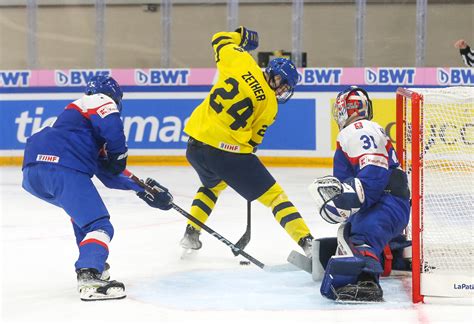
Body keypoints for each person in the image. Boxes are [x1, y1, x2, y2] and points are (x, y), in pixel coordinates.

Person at [21, 75, 173, 301]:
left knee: (82, 218)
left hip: (33, 173)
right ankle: (89, 275)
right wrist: (120, 154)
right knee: (100, 225)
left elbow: (109, 173)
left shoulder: (77, 127)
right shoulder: (96, 100)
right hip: (62, 167)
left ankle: (95, 264)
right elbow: (113, 131)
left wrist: (143, 189)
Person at [180, 26, 314, 257]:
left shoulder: (241, 59)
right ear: (275, 75)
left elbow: (218, 38)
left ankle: (191, 233)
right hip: (225, 155)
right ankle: (307, 242)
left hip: (194, 146)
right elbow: (252, 143)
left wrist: (240, 36)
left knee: (212, 186)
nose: (282, 90)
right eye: (283, 84)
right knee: (275, 197)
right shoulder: (270, 106)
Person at [308, 86, 410, 302]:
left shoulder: (357, 130)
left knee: (360, 238)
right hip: (387, 202)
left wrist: (348, 198)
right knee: (351, 231)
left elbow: (373, 172)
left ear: (347, 109)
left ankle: (366, 281)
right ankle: (400, 257)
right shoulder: (363, 129)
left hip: (385, 201)